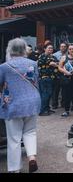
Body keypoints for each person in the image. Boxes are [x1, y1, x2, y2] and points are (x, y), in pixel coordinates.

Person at [0, 38, 40, 173]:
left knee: (14, 138)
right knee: (30, 132)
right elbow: (36, 81)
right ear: (24, 50)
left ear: (10, 50)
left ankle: (14, 168)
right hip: (32, 102)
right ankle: (32, 157)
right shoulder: (33, 63)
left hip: (13, 104)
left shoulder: (4, 67)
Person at [37, 44, 59, 116]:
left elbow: (58, 63)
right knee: (45, 94)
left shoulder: (53, 57)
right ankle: (42, 110)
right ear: (44, 49)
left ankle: (47, 109)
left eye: (52, 48)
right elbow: (53, 64)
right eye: (49, 48)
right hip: (44, 78)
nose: (50, 50)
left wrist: (56, 64)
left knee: (49, 94)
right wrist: (56, 64)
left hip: (52, 78)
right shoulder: (42, 56)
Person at [58, 44, 73, 117]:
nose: (71, 50)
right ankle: (66, 110)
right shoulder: (64, 57)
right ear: (68, 50)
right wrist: (65, 72)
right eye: (70, 49)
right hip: (67, 78)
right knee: (66, 94)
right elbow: (59, 67)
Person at [52, 42, 68, 110]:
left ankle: (63, 103)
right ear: (59, 47)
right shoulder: (55, 55)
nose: (63, 48)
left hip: (65, 74)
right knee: (56, 90)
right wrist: (59, 63)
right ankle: (54, 104)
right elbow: (53, 63)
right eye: (62, 46)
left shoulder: (68, 54)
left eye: (64, 46)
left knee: (64, 90)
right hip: (57, 74)